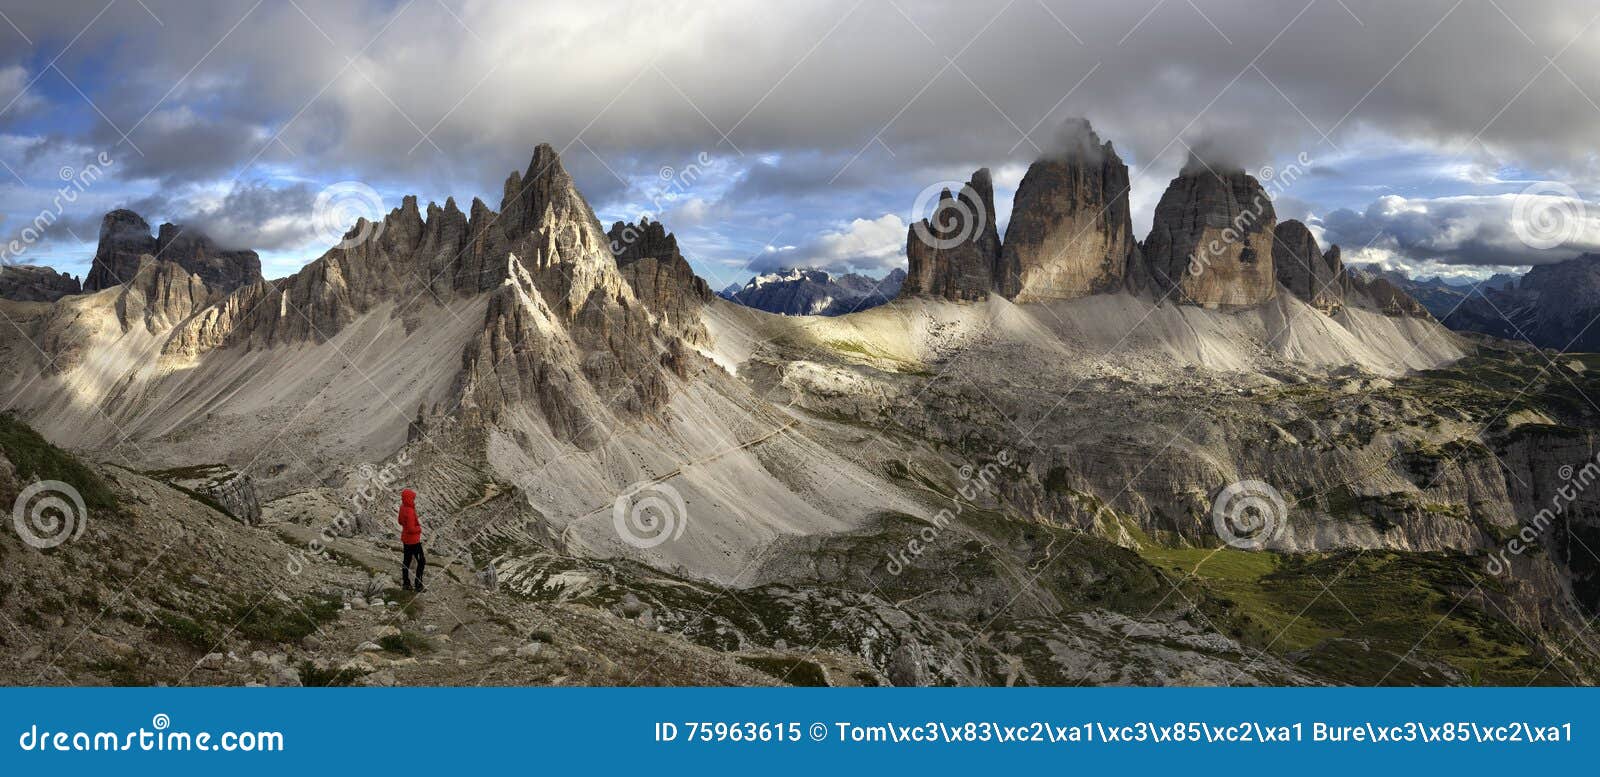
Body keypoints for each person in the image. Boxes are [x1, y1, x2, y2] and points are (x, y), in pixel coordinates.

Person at [397, 488, 426, 593]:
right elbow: (411, 529)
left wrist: (407, 525)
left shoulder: (402, 507)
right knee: (421, 561)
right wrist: (419, 528)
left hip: (405, 539)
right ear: (409, 498)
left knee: (406, 561)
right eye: (412, 498)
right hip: (413, 541)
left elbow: (400, 521)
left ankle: (406, 583)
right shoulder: (409, 511)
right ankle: (418, 585)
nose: (413, 500)